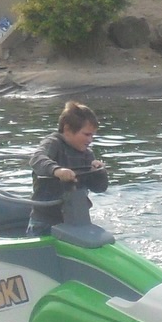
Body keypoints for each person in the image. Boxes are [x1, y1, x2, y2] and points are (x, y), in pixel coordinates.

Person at [28, 101, 108, 236]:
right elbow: (36, 159)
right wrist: (56, 170)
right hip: (45, 220)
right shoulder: (53, 143)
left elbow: (99, 188)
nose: (90, 140)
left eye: (92, 135)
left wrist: (99, 173)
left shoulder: (87, 154)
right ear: (67, 129)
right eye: (86, 134)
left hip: (76, 219)